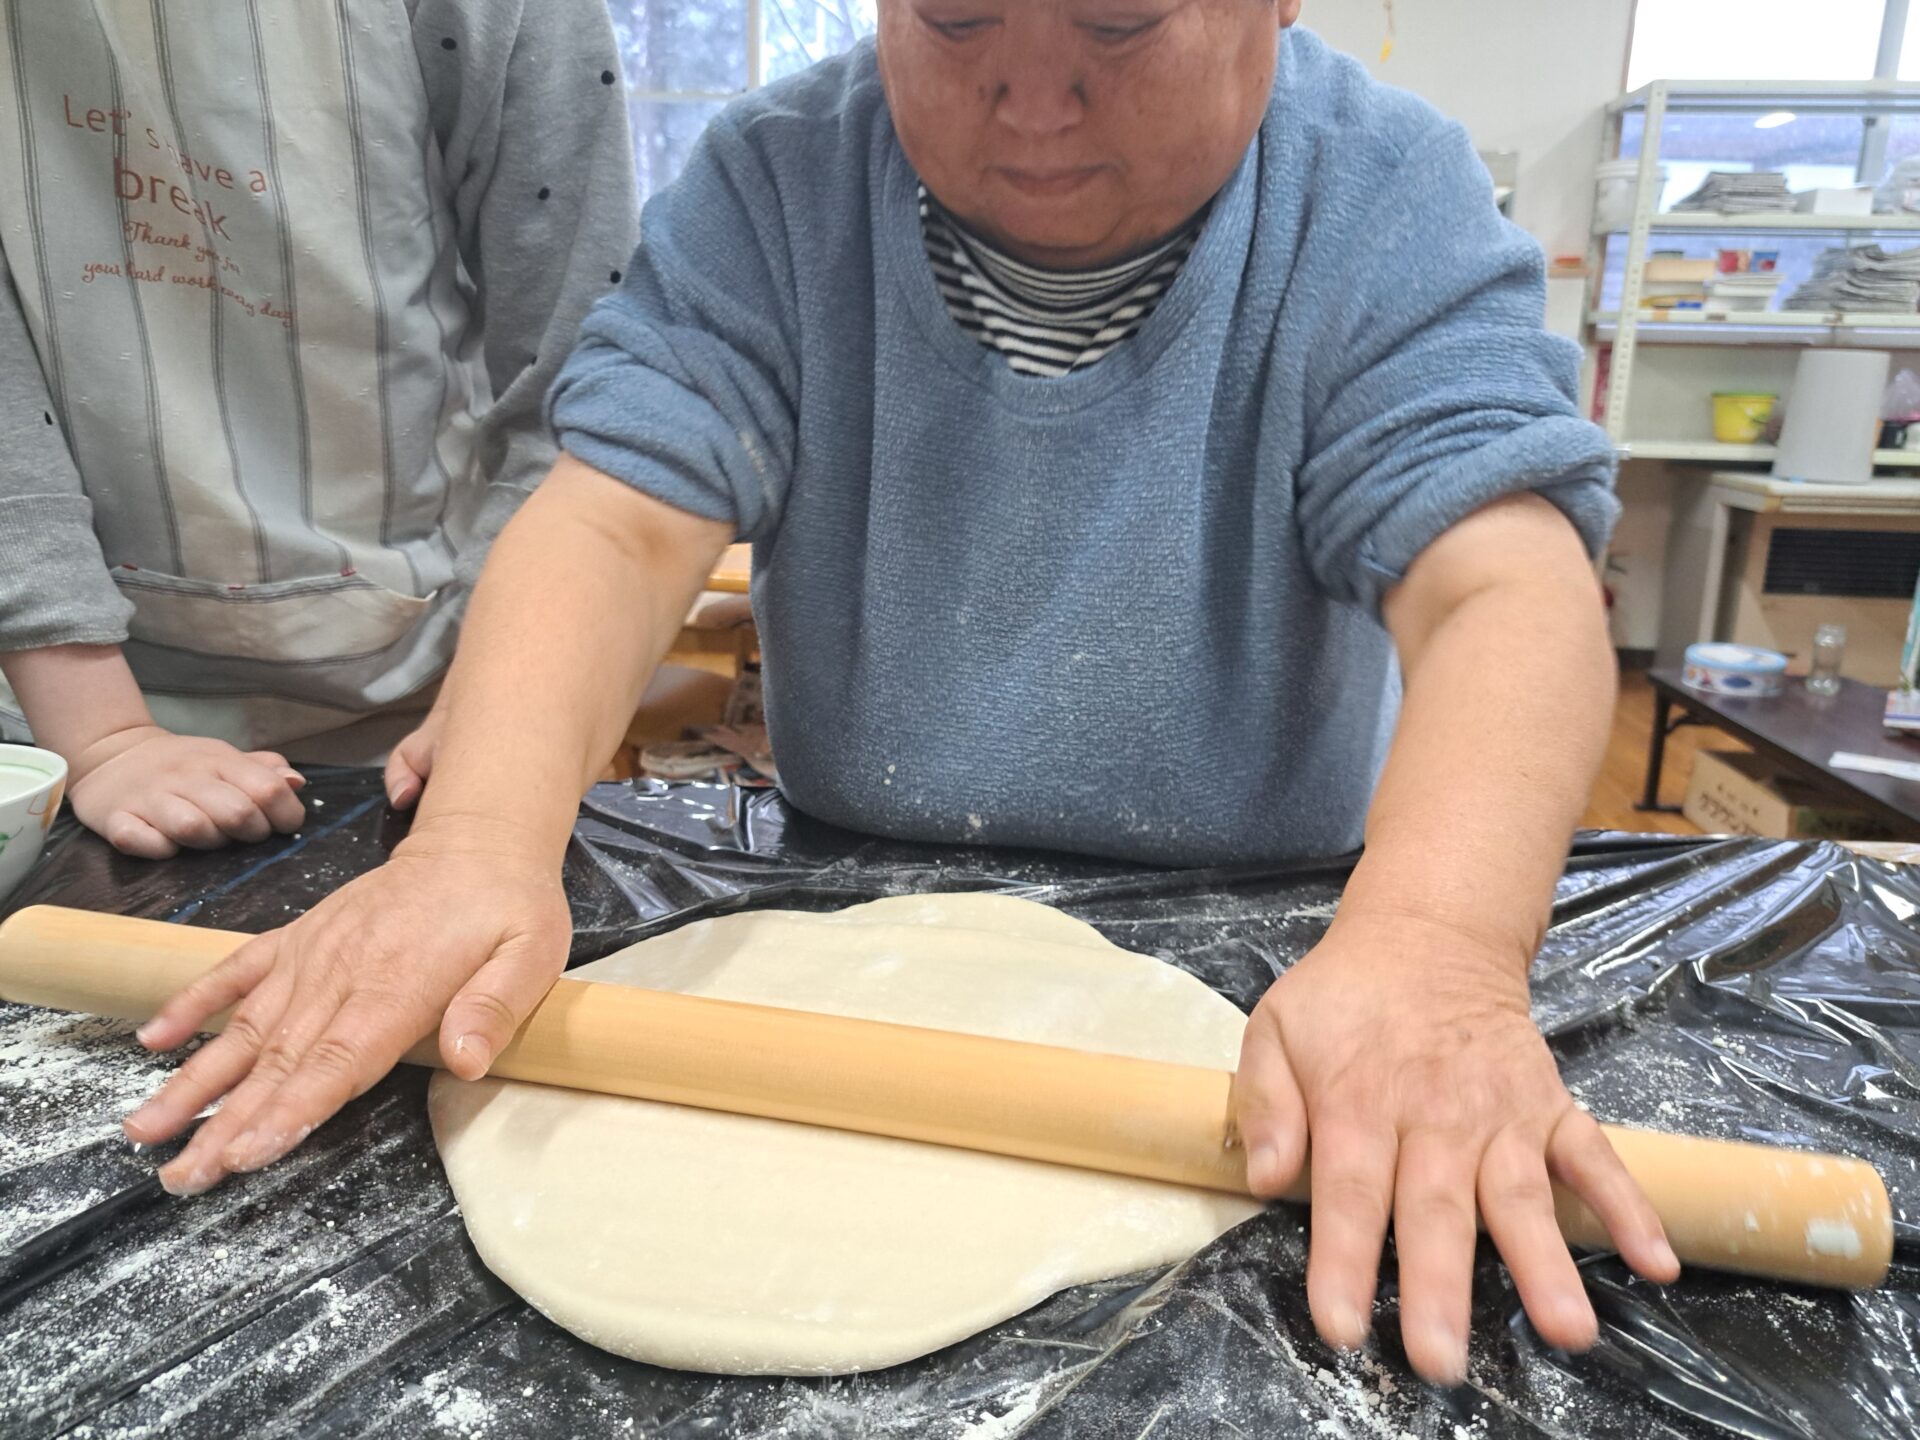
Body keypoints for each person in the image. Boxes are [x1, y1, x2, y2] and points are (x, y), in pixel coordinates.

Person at [123, 1, 1682, 1386]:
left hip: (1281, 938)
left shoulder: (1375, 200)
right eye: (954, 22)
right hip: (842, 896)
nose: (1033, 98)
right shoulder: (782, 185)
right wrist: (477, 845)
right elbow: (613, 525)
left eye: (1117, 29)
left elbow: (1502, 584)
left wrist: (1437, 948)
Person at [0, 0, 637, 858]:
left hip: (438, 686)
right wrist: (105, 737)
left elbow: (576, 376)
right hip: (48, 715)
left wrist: (501, 698)